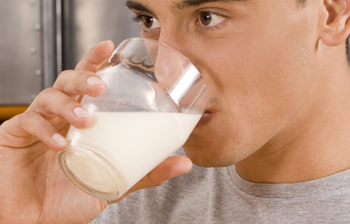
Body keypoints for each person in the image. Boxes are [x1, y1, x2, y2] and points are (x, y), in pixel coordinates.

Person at [1, 0, 350, 223]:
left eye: (208, 17)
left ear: (332, 13)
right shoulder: (125, 191)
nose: (164, 73)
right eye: (148, 20)